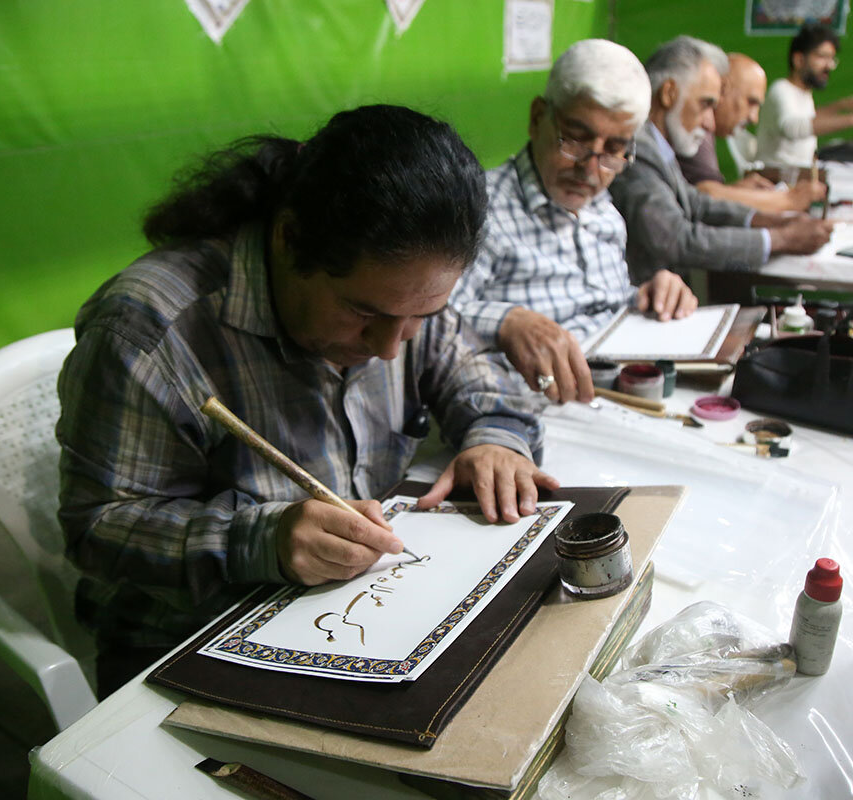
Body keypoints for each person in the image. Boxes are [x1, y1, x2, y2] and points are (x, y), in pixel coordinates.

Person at [56, 105, 557, 697]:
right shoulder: (151, 332)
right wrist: (259, 540)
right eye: (362, 312)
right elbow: (97, 527)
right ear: (290, 240)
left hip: (367, 610)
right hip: (188, 644)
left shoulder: (399, 291)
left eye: (422, 315)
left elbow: (467, 363)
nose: (390, 349)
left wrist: (495, 436)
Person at [450, 39, 697, 407]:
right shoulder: (478, 211)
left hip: (613, 396)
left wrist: (647, 295)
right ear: (537, 118)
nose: (591, 169)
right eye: (576, 140)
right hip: (527, 409)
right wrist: (506, 322)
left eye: (613, 150)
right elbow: (424, 320)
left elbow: (602, 304)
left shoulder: (603, 211)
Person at [610, 36, 833, 286]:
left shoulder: (657, 144)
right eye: (705, 104)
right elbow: (675, 239)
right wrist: (781, 238)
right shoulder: (637, 150)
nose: (710, 123)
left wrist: (768, 220)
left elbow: (695, 203)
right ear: (669, 93)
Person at [678, 52, 827, 213]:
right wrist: (790, 199)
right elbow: (707, 195)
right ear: (722, 89)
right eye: (751, 102)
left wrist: (734, 190)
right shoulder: (698, 129)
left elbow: (700, 193)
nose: (754, 118)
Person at [754, 22, 853, 168]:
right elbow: (793, 128)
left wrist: (843, 105)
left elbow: (808, 119)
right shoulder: (781, 89)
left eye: (831, 58)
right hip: (774, 176)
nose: (829, 66)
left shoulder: (802, 92)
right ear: (799, 60)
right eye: (822, 57)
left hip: (799, 172)